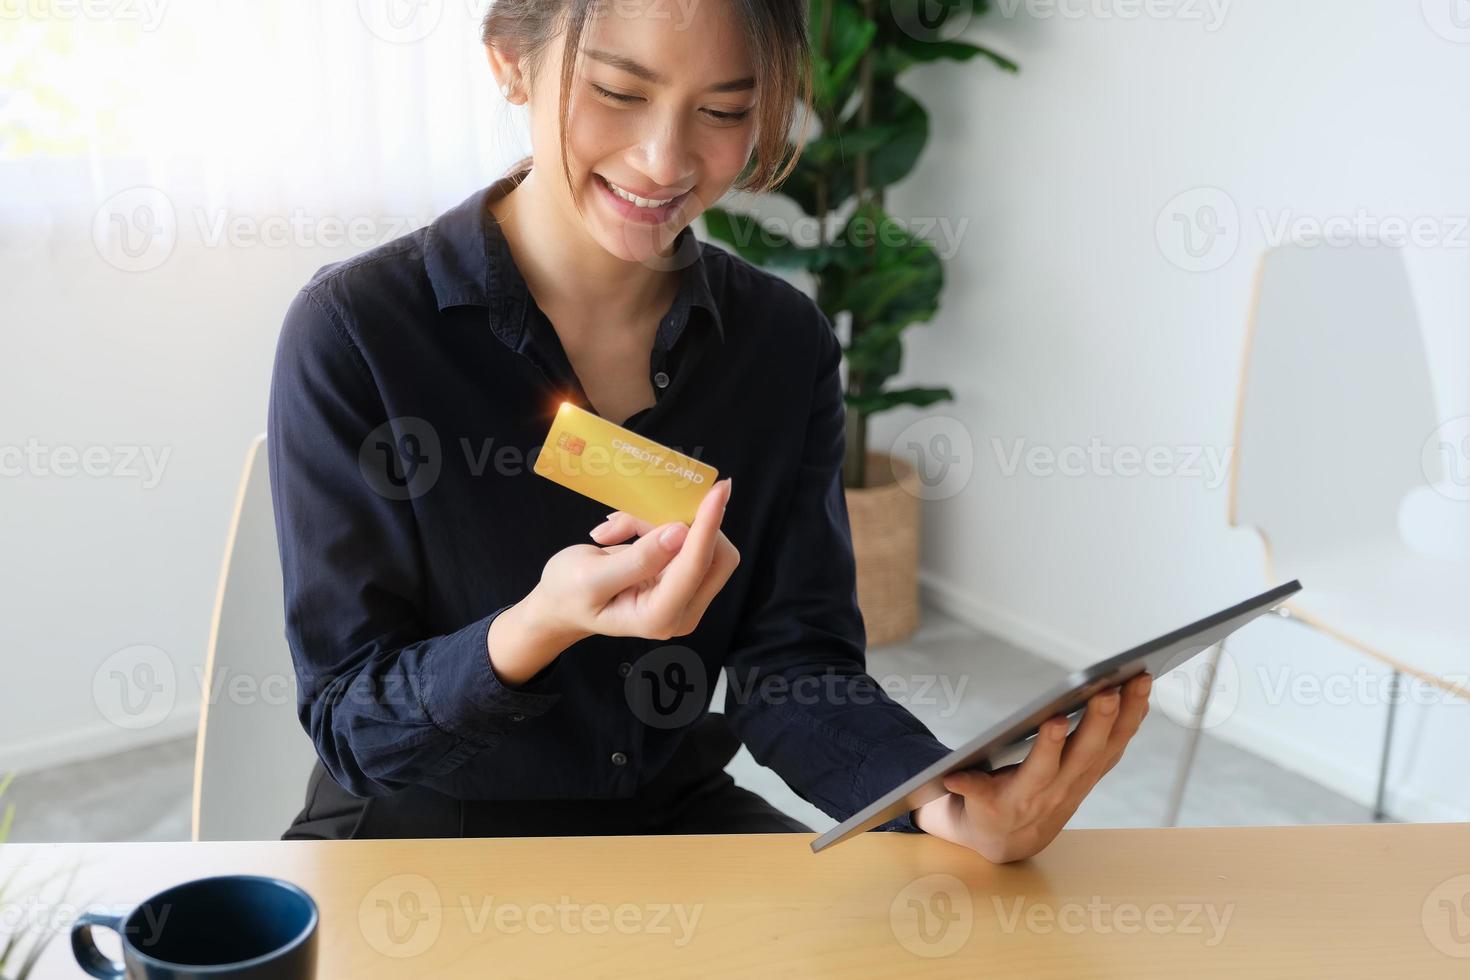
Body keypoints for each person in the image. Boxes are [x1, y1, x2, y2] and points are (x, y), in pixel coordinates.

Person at [266, 0, 1152, 863]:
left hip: (670, 825)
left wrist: (935, 800)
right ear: (510, 61)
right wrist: (540, 624)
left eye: (725, 110)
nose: (663, 161)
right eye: (617, 92)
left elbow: (793, 667)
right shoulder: (358, 331)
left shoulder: (779, 343)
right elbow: (355, 722)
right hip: (425, 845)